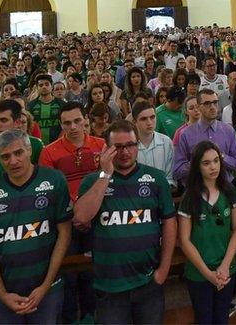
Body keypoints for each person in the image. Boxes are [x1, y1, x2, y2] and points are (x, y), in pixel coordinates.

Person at [74, 120, 176, 324]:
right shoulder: (92, 181)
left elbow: (169, 223)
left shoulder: (155, 179)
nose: (125, 152)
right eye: (118, 147)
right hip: (109, 287)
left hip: (148, 282)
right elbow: (81, 218)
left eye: (130, 145)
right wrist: (105, 174)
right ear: (107, 149)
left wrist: (164, 270)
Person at [0, 129, 73, 323]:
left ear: (29, 150)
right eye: (5, 156)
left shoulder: (54, 180)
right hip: (4, 292)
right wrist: (2, 293)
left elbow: (64, 234)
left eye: (18, 153)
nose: (13, 161)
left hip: (48, 289)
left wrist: (45, 286)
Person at [39, 101, 104, 323]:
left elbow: (106, 182)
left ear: (86, 119)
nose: (73, 127)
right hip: (67, 223)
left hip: (96, 220)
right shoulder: (49, 152)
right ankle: (69, 319)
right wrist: (76, 213)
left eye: (77, 121)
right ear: (61, 124)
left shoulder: (101, 145)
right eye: (67, 123)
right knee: (68, 274)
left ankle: (90, 316)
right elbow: (50, 192)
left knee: (91, 271)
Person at [178, 141, 236, 325]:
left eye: (216, 161)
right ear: (197, 166)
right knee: (204, 319)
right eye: (206, 163)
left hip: (225, 270)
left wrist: (224, 266)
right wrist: (208, 274)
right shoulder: (190, 197)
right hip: (199, 273)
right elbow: (184, 240)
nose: (213, 166)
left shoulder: (229, 191)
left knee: (222, 318)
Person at [174, 89, 236, 182]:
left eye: (215, 102)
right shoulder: (185, 134)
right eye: (207, 103)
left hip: (225, 189)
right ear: (198, 107)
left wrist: (221, 156)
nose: (212, 107)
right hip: (197, 189)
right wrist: (199, 161)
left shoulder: (228, 131)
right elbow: (177, 170)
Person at [132, 100, 175, 188]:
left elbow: (170, 178)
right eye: (143, 119)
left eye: (152, 117)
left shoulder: (166, 142)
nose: (149, 122)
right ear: (134, 122)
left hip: (161, 194)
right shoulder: (128, 145)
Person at [26, 74, 66, 144]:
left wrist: (59, 141)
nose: (44, 87)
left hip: (58, 143)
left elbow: (66, 125)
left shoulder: (62, 104)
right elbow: (28, 126)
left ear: (52, 86)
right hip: (37, 144)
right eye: (41, 85)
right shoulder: (31, 105)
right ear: (37, 88)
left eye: (47, 84)